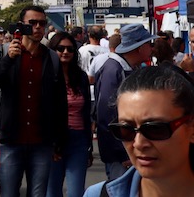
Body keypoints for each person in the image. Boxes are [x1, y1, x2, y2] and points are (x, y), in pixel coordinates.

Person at [0, 4, 66, 197]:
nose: (37, 27)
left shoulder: (51, 58)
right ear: (21, 25)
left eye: (42, 23)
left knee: (38, 194)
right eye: (32, 23)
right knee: (9, 193)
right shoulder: (4, 52)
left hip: (42, 141)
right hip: (12, 139)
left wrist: (59, 140)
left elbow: (60, 101)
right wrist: (8, 60)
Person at [83, 66, 194, 197]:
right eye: (125, 130)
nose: (139, 143)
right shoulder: (97, 194)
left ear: (191, 128)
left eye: (155, 129)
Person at [96, 23, 155, 180]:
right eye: (149, 44)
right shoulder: (113, 70)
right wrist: (121, 153)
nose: (152, 48)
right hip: (121, 155)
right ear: (139, 47)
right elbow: (106, 116)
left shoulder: (127, 68)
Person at [46, 32, 92, 197]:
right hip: (53, 141)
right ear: (53, 50)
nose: (66, 52)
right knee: (52, 192)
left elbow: (86, 112)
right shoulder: (46, 76)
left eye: (70, 49)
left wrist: (88, 145)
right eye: (61, 48)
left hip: (78, 140)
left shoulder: (80, 77)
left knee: (76, 192)